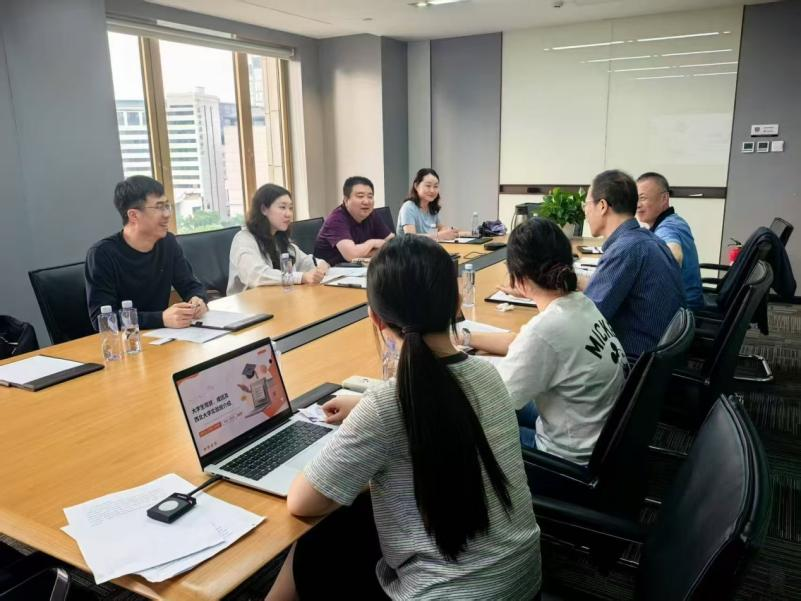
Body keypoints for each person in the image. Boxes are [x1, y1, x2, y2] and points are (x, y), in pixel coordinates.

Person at [266, 236, 541, 601]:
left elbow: (301, 502)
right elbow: (437, 408)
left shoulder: (385, 407)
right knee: (357, 515)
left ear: (375, 317)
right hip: (523, 585)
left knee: (316, 543)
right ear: (456, 302)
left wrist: (364, 424)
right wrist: (368, 411)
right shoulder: (488, 374)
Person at [464, 218, 629, 463]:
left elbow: (493, 405)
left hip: (567, 462)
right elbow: (528, 344)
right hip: (597, 435)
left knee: (465, 429)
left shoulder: (545, 330)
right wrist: (465, 338)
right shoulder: (582, 304)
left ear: (518, 280)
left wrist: (463, 368)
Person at [583, 169, 684, 360]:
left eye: (586, 204)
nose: (585, 211)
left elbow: (588, 318)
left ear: (602, 206)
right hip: (655, 356)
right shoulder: (647, 240)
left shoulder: (625, 249)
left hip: (632, 360)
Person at [85, 175, 207, 330]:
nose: (167, 214)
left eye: (167, 206)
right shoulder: (102, 254)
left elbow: (191, 285)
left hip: (164, 335)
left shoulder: (168, 243)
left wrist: (197, 299)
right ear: (133, 215)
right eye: (159, 207)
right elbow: (102, 319)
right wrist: (160, 319)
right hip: (125, 341)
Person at [227, 184, 328, 295]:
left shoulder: (279, 238)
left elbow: (305, 261)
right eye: (282, 207)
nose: (288, 214)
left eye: (290, 208)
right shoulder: (244, 239)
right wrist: (301, 277)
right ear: (264, 209)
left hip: (279, 298)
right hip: (249, 302)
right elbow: (256, 275)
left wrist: (321, 265)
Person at [636, 172, 704, 310]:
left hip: (682, 311)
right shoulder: (674, 220)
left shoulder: (669, 226)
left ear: (664, 198)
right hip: (685, 304)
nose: (637, 205)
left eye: (643, 198)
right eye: (635, 199)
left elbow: (675, 256)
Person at [313, 176, 394, 266]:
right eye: (360, 196)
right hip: (330, 270)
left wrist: (364, 253)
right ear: (346, 200)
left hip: (358, 267)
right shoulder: (336, 219)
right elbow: (351, 255)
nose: (366, 201)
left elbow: (393, 242)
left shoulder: (371, 214)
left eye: (370, 197)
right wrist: (372, 243)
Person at [397, 168, 459, 240]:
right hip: (410, 247)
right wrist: (439, 235)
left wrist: (452, 231)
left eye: (435, 186)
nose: (432, 190)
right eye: (428, 186)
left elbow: (440, 228)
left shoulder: (431, 206)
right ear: (416, 186)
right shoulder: (408, 207)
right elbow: (411, 238)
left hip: (428, 246)